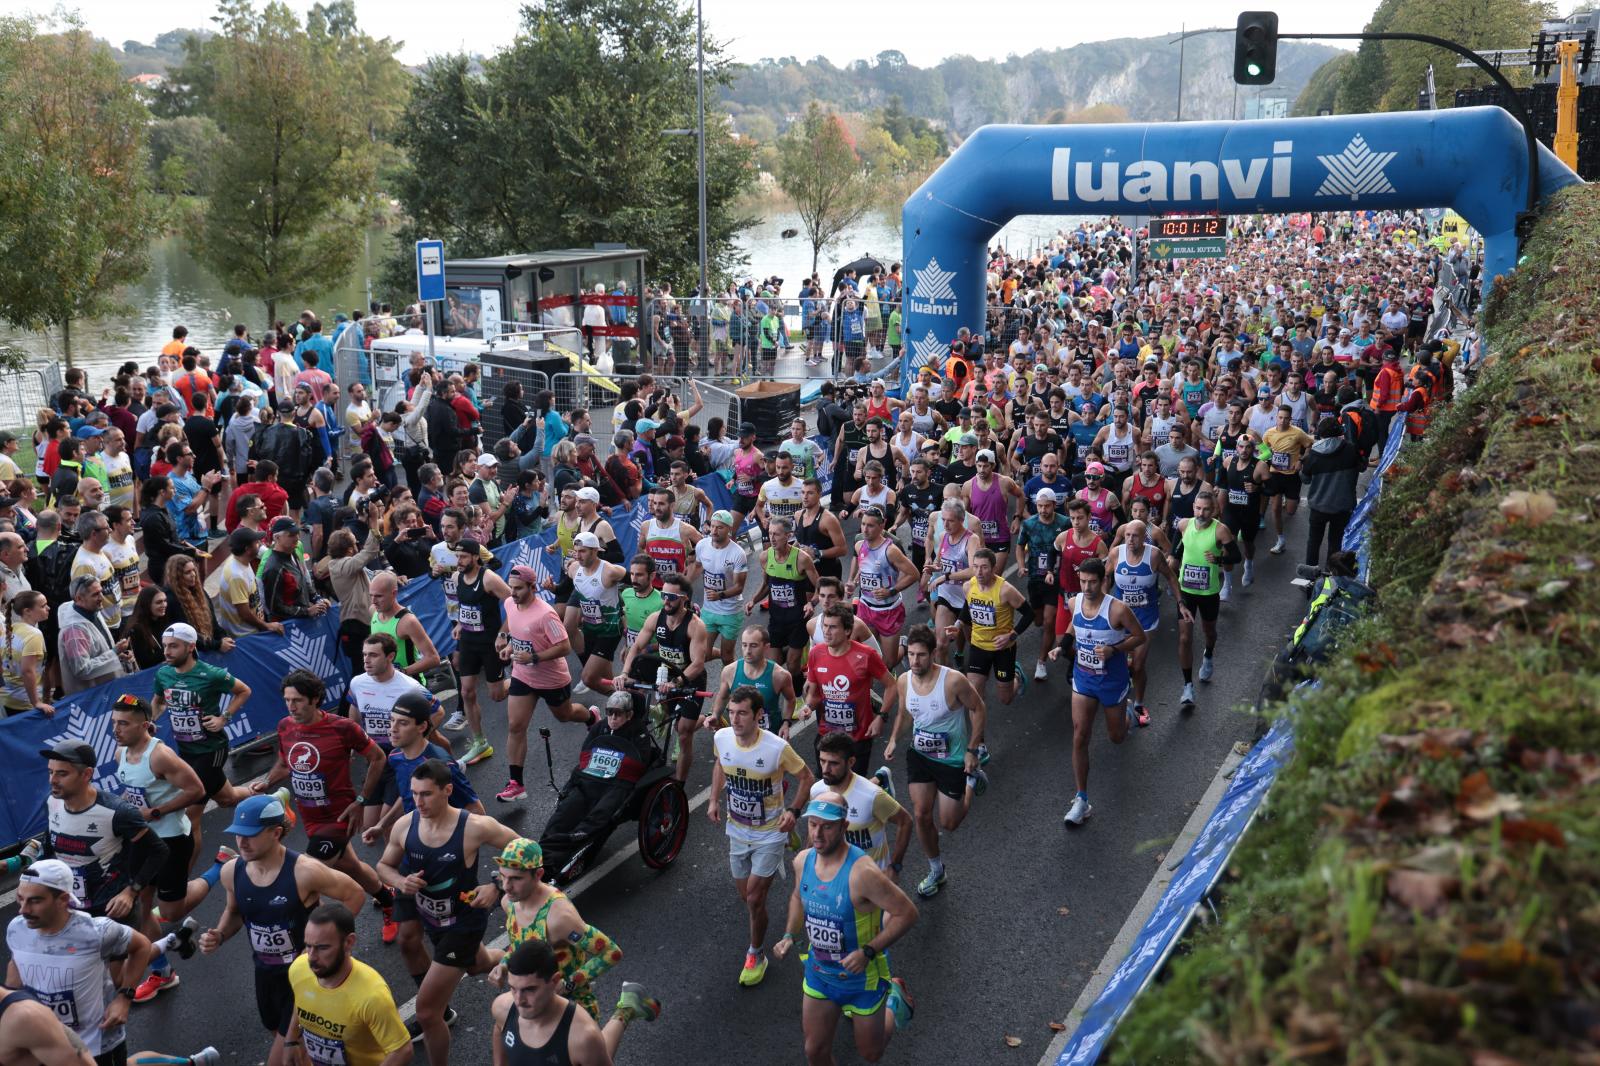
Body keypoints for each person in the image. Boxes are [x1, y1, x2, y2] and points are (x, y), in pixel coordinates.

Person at [374, 761, 519, 1066]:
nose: (419, 802)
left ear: (447, 790)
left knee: (427, 1012)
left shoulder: (475, 827)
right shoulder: (406, 824)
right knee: (476, 965)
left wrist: (496, 885)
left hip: (462, 923)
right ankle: (504, 958)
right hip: (427, 912)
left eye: (426, 794)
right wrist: (401, 881)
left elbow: (525, 848)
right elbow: (383, 866)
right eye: (414, 794)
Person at [250, 670, 398, 941]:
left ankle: (317, 939)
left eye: (297, 701)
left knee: (307, 876)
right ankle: (389, 901)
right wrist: (266, 782)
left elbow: (378, 758)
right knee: (350, 866)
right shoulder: (285, 726)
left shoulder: (343, 728)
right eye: (287, 700)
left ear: (315, 699)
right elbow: (285, 763)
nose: (291, 707)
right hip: (310, 816)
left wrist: (361, 801)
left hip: (339, 815)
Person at [771, 793, 916, 1066]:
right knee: (814, 1051)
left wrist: (869, 951)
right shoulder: (802, 861)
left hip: (862, 979)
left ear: (844, 826)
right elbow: (796, 898)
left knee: (871, 1053)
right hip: (819, 974)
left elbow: (907, 913)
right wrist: (789, 934)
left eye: (826, 826)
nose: (817, 834)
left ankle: (893, 1003)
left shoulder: (863, 873)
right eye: (813, 824)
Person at [488, 838, 658, 1059]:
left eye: (515, 879)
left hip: (571, 1005)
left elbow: (611, 952)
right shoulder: (510, 901)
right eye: (502, 877)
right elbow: (524, 944)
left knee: (592, 1054)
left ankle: (627, 1008)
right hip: (536, 999)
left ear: (538, 875)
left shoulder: (559, 918)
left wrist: (568, 984)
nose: (506, 886)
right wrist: (504, 964)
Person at [708, 686, 814, 988]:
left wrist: (793, 811)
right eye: (731, 712)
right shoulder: (722, 738)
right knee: (746, 897)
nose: (735, 719)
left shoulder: (776, 747)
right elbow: (720, 764)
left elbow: (806, 777)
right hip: (737, 830)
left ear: (758, 716)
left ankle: (756, 954)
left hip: (769, 832)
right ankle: (789, 835)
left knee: (755, 898)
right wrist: (714, 800)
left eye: (742, 713)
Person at [6, 858, 156, 1066]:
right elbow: (16, 967)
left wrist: (124, 998)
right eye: (20, 899)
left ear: (63, 899)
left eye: (35, 901)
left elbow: (142, 946)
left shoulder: (97, 931)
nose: (23, 910)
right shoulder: (17, 929)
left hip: (97, 1044)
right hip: (45, 1042)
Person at [110, 696, 207, 1004]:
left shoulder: (161, 756)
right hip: (142, 839)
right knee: (139, 907)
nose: (117, 729)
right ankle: (163, 971)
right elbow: (133, 792)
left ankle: (223, 869)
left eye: (124, 723)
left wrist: (157, 811)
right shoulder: (120, 751)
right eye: (114, 722)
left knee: (170, 912)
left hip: (172, 841)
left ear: (144, 724)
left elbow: (197, 790)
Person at [884, 626, 987, 897]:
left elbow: (978, 708)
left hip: (953, 760)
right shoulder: (904, 680)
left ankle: (971, 782)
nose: (915, 661)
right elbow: (905, 713)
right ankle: (936, 870)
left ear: (933, 655)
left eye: (921, 655)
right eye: (912, 655)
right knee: (920, 813)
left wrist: (972, 750)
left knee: (950, 823)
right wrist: (894, 738)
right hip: (921, 756)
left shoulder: (953, 681)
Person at [1050, 557, 1147, 825]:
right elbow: (1073, 625)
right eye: (1083, 581)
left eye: (1092, 582)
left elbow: (1140, 637)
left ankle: (1128, 714)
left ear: (1103, 581)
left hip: (1112, 682)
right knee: (1080, 735)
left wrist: (1114, 650)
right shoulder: (1074, 602)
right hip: (1084, 679)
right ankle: (1081, 799)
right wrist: (1062, 646)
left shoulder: (1117, 610)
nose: (1087, 587)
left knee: (1116, 736)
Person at [152, 622, 256, 870]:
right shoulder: (163, 674)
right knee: (227, 798)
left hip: (211, 749)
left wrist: (224, 718)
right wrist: (150, 721)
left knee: (191, 815)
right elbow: (157, 701)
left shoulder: (211, 674)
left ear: (190, 647)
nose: (167, 652)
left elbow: (244, 691)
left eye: (173, 646)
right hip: (186, 749)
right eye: (165, 646)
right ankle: (268, 797)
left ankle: (185, 877)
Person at [39, 739, 169, 921]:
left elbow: (159, 851)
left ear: (86, 774)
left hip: (110, 910)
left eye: (62, 774)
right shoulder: (52, 802)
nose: (52, 780)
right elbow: (50, 839)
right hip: (69, 907)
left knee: (148, 932)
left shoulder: (118, 812)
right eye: (50, 772)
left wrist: (131, 893)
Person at [495, 565, 591, 803]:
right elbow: (515, 628)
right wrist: (508, 645)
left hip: (551, 678)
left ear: (533, 587)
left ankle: (591, 718)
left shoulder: (545, 614)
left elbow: (564, 646)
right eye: (511, 588)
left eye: (518, 589)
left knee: (565, 715)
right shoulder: (510, 603)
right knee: (516, 726)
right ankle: (516, 783)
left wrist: (534, 657)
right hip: (523, 675)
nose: (513, 593)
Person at [285, 903, 412, 1066]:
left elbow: (402, 1050)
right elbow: (301, 999)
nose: (311, 957)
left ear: (349, 942)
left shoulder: (372, 996)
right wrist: (291, 1040)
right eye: (308, 946)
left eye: (322, 948)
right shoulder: (299, 969)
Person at [618, 572, 709, 783]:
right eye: (664, 595)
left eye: (672, 597)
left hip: (689, 681)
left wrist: (676, 683)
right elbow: (637, 647)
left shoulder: (695, 626)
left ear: (684, 598)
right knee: (674, 722)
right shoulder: (655, 618)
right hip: (665, 676)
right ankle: (700, 718)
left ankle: (679, 783)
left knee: (683, 733)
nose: (666, 601)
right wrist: (624, 673)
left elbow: (697, 664)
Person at [805, 604, 898, 779]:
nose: (826, 631)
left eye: (833, 627)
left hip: (858, 737)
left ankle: (880, 781)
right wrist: (809, 707)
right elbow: (816, 693)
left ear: (848, 630)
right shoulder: (816, 653)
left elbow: (891, 685)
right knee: (829, 785)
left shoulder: (866, 655)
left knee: (853, 788)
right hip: (827, 734)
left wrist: (882, 717)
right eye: (825, 625)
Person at [489, 941, 614, 1066]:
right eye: (513, 988)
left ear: (555, 980)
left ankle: (623, 1013)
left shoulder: (584, 1037)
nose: (518, 1000)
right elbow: (499, 1028)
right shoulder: (502, 1008)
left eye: (530, 989)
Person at [445, 537, 510, 766]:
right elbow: (466, 607)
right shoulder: (456, 577)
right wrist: (461, 624)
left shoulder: (489, 579)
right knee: (467, 692)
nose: (459, 561)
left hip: (490, 643)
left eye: (463, 557)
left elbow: (516, 603)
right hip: (469, 642)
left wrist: (504, 633)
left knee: (497, 695)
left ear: (475, 557)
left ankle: (519, 679)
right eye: (457, 556)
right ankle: (480, 742)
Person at [1170, 490, 1237, 710]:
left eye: (1206, 509)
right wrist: (1172, 566)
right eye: (1198, 508)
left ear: (1214, 509)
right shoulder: (1183, 525)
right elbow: (1176, 551)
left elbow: (1235, 557)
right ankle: (1187, 686)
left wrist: (1218, 558)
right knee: (1184, 638)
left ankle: (1208, 655)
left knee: (1209, 631)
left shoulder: (1221, 530)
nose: (1201, 512)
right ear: (1193, 508)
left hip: (1208, 593)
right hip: (1186, 591)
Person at [811, 732, 912, 878]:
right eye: (822, 761)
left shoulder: (873, 796)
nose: (825, 769)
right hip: (837, 877)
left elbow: (906, 822)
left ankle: (879, 780)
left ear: (851, 762)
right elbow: (815, 825)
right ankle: (879, 778)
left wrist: (895, 866)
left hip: (872, 877)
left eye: (833, 763)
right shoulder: (816, 791)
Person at [1108, 520, 1179, 728]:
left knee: (1138, 666)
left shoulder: (1154, 555)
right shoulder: (1116, 554)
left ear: (1143, 537)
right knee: (1119, 663)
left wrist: (1181, 603)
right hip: (1121, 619)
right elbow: (1104, 578)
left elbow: (1171, 577)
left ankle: (1139, 704)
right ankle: (1120, 698)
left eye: (1135, 536)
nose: (1130, 539)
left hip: (1146, 618)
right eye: (1127, 535)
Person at [844, 506, 919, 672]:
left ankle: (904, 647)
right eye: (863, 524)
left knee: (888, 663)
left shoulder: (891, 550)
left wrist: (891, 590)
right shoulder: (859, 545)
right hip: (866, 607)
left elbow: (914, 574)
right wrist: (853, 582)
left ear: (881, 526)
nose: (865, 529)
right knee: (866, 657)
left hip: (889, 610)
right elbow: (864, 568)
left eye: (870, 525)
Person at [743, 519, 819, 679]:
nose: (772, 538)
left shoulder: (802, 558)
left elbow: (821, 587)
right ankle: (795, 649)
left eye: (776, 534)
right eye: (770, 533)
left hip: (798, 619)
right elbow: (766, 585)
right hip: (777, 619)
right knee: (773, 665)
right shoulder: (765, 557)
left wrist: (811, 603)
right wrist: (753, 600)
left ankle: (798, 695)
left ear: (788, 535)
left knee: (792, 666)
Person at [959, 547, 1033, 709]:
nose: (979, 572)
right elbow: (968, 608)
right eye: (976, 566)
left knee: (1005, 699)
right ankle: (979, 734)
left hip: (1003, 649)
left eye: (984, 567)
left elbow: (1029, 614)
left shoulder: (1006, 590)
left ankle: (1017, 677)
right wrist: (957, 625)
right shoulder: (968, 587)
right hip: (978, 646)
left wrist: (1011, 636)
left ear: (993, 569)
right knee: (974, 698)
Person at [1018, 487, 1071, 681]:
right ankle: (1047, 632)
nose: (1042, 510)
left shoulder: (1064, 523)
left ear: (1054, 505)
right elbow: (1019, 546)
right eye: (1039, 506)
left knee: (1049, 622)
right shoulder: (1029, 524)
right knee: (1038, 620)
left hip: (1056, 579)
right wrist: (1022, 566)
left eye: (1046, 506)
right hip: (1035, 578)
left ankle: (1041, 662)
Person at [564, 532, 627, 695]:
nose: (578, 555)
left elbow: (635, 581)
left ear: (595, 551)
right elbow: (568, 589)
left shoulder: (609, 571)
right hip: (590, 630)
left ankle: (625, 703)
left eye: (582, 551)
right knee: (609, 680)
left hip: (609, 631)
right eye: (576, 551)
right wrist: (553, 588)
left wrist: (625, 613)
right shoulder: (574, 569)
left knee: (589, 678)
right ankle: (623, 703)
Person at [1300, 416, 1362, 568]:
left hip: (1318, 506)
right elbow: (1362, 467)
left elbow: (1305, 479)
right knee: (1335, 541)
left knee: (1314, 540)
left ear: (1321, 434)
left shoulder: (1313, 455)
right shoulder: (1350, 449)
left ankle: (1310, 575)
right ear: (1339, 431)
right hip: (1343, 506)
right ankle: (1331, 574)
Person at [693, 509, 749, 664]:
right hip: (709, 610)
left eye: (720, 527)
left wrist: (720, 595)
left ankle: (732, 686)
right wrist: (685, 585)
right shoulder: (702, 546)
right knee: (703, 655)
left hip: (730, 612)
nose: (714, 531)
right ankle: (720, 655)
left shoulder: (737, 554)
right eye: (712, 526)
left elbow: (739, 587)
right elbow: (697, 567)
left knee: (727, 657)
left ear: (730, 529)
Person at [1, 590, 52, 717]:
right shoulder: (34, 635)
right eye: (43, 606)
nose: (48, 608)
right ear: (27, 611)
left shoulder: (11, 628)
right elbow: (27, 671)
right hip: (24, 703)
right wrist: (36, 703)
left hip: (6, 699)